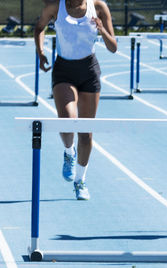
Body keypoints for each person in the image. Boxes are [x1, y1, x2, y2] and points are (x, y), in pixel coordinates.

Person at [34, 0, 117, 200]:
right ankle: (68, 152)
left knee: (86, 133)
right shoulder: (55, 6)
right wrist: (41, 52)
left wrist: (101, 30)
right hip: (64, 69)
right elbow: (39, 28)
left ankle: (80, 181)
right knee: (67, 121)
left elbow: (113, 47)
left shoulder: (98, 7)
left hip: (89, 70)